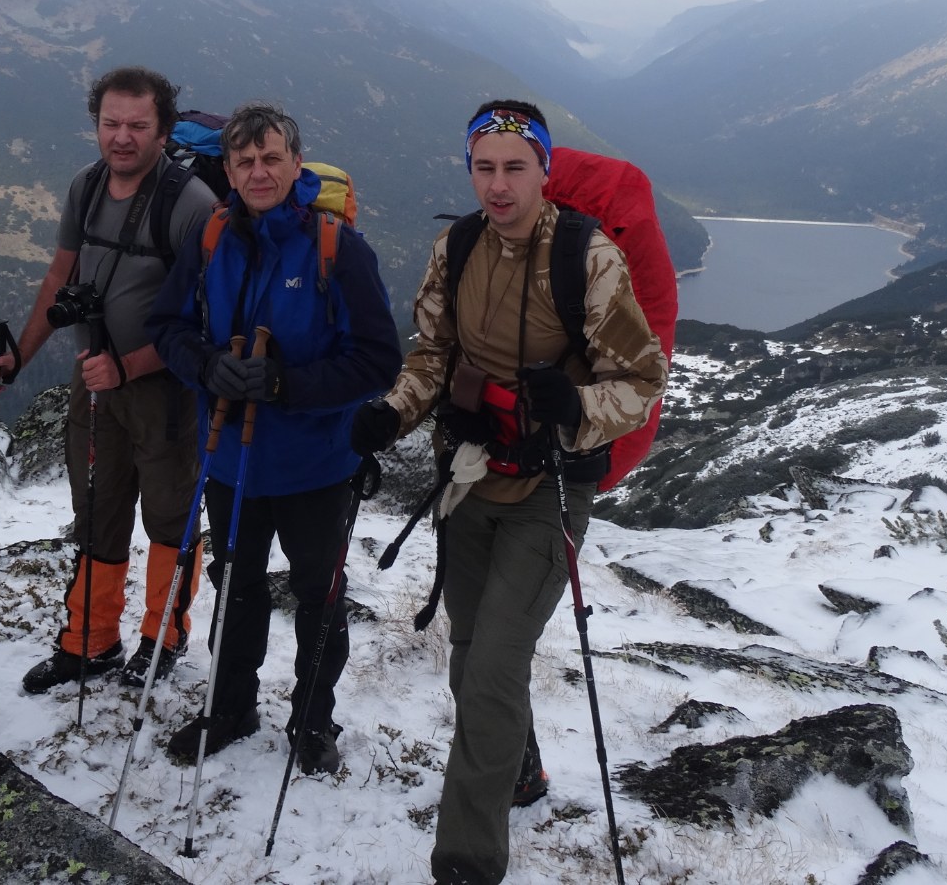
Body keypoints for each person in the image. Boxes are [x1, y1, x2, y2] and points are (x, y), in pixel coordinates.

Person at [349, 100, 668, 885]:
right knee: (468, 660)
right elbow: (434, 353)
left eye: (515, 168)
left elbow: (642, 380)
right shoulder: (456, 247)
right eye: (484, 168)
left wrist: (576, 407)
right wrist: (391, 414)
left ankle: (467, 858)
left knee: (492, 667)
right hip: (469, 479)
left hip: (548, 490)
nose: (498, 185)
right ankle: (519, 770)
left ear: (544, 170)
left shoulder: (588, 258)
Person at [149, 100, 401, 774]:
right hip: (231, 461)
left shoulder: (337, 249)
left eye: (271, 158)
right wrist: (207, 366)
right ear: (228, 170)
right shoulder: (210, 238)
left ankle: (313, 720)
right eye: (244, 161)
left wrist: (288, 384)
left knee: (318, 591)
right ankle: (231, 707)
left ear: (296, 163)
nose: (258, 172)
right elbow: (167, 326)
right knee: (236, 583)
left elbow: (379, 360)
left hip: (316, 463)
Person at [0, 66, 218, 693]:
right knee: (96, 510)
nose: (121, 137)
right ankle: (90, 641)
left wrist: (128, 366)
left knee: (169, 517)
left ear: (163, 130)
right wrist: (20, 356)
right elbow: (59, 276)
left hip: (164, 392)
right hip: (94, 383)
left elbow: (207, 321)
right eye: (110, 123)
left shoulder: (191, 204)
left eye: (137, 125)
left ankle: (163, 638)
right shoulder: (86, 188)